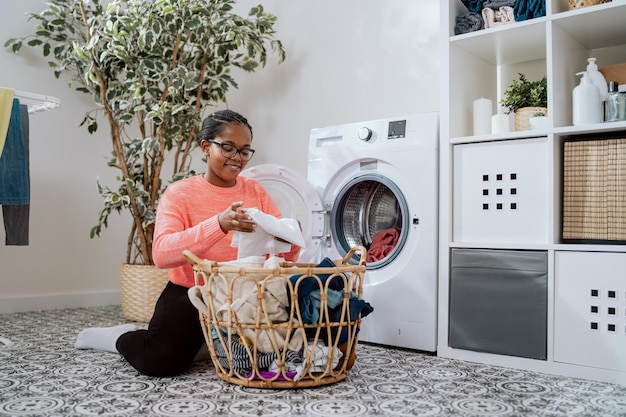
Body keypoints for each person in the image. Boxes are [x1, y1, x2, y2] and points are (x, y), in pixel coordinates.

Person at [75, 110, 301, 376]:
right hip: (191, 291)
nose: (237, 158)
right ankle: (119, 337)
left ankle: (204, 344)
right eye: (228, 148)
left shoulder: (255, 191)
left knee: (293, 344)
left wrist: (290, 237)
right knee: (159, 361)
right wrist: (218, 225)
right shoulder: (179, 193)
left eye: (244, 151)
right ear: (206, 147)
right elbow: (161, 254)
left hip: (246, 294)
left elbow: (286, 255)